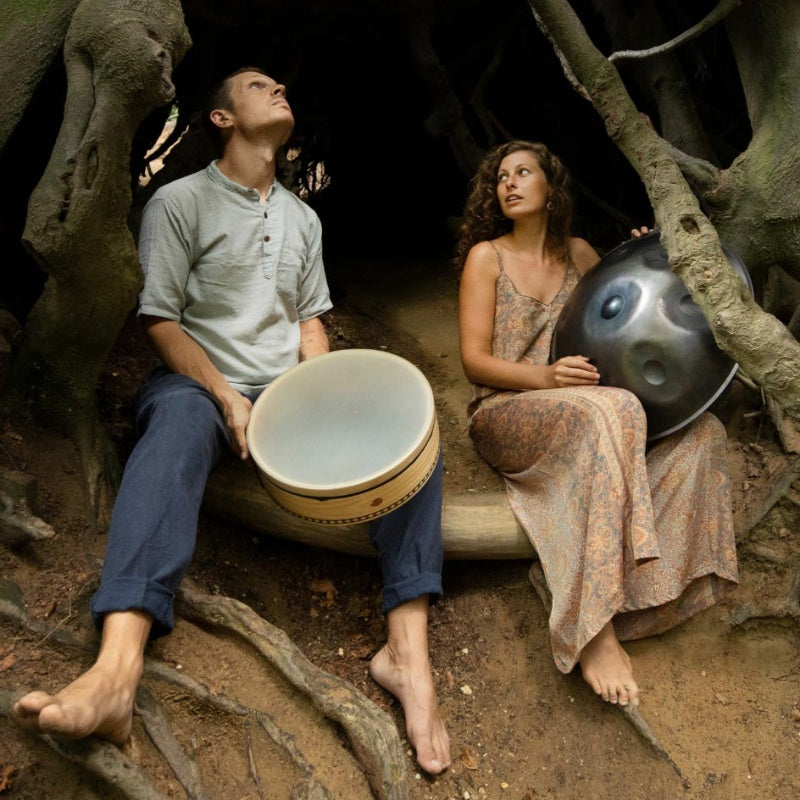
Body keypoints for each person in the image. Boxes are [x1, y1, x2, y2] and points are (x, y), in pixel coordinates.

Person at [14, 67, 450, 775]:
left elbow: (310, 322)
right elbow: (160, 320)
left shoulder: (303, 219)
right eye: (257, 84)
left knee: (409, 449)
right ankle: (117, 669)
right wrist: (227, 397)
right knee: (176, 430)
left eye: (281, 84)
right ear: (221, 119)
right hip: (197, 385)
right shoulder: (178, 203)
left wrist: (319, 394)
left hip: (284, 390)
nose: (278, 88)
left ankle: (409, 660)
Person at [456, 140, 738, 707]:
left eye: (523, 173)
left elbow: (624, 310)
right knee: (615, 408)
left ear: (550, 186)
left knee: (705, 435)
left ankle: (634, 597)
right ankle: (594, 630)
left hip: (588, 413)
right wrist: (546, 379)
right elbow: (474, 361)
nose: (508, 184)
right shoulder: (487, 257)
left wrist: (651, 257)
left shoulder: (581, 252)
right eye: (500, 178)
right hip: (506, 411)